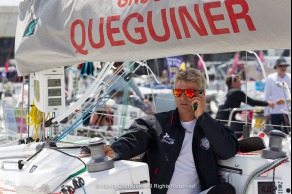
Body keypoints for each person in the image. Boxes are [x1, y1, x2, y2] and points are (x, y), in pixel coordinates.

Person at [105, 68, 239, 194]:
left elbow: (228, 150)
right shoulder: (157, 123)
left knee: (226, 190)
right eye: (178, 92)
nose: (183, 97)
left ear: (201, 94)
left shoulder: (211, 127)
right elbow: (134, 138)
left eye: (189, 93)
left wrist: (203, 117)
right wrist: (116, 151)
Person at [264, 57, 291, 134]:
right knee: (276, 134)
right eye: (281, 66)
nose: (283, 68)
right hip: (274, 111)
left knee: (289, 132)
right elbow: (267, 95)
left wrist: (286, 100)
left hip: (288, 111)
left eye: (285, 66)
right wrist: (266, 112)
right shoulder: (271, 78)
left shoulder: (290, 77)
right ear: (276, 67)